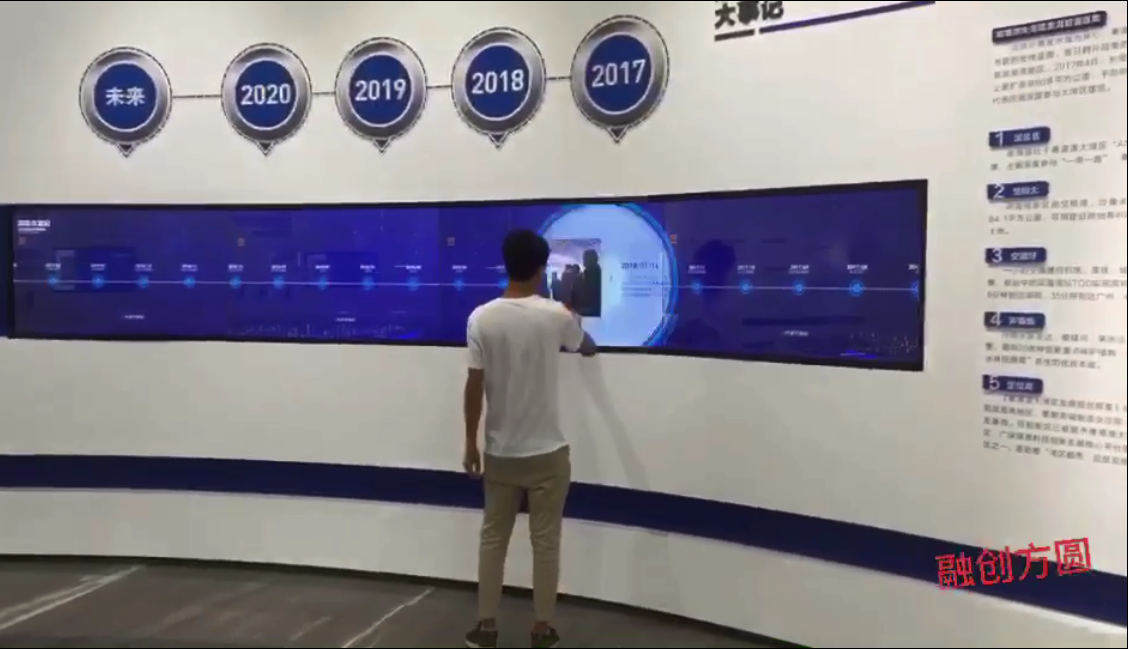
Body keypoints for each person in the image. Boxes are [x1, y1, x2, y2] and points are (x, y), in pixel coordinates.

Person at [462, 229, 585, 648]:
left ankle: (486, 626)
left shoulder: (481, 318)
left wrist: (470, 442)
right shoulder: (556, 316)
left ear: (507, 264)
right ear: (540, 269)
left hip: (501, 453)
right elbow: (580, 344)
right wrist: (571, 309)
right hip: (549, 454)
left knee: (493, 539)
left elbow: (474, 386)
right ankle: (542, 628)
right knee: (546, 542)